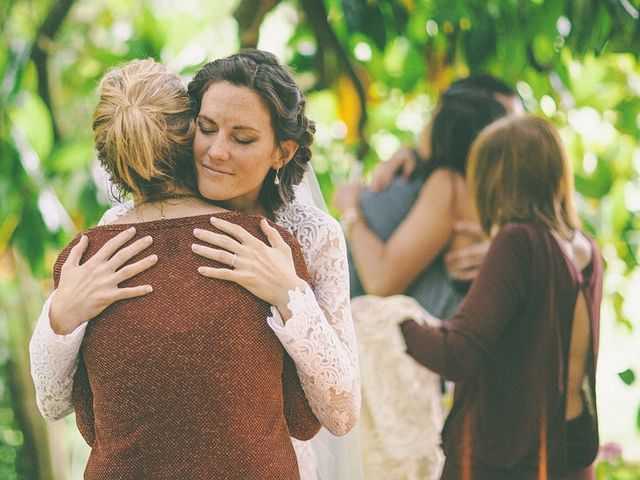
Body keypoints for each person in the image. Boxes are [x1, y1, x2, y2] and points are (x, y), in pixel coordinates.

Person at [30, 51, 360, 479]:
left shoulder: (311, 234)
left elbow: (341, 413)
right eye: (205, 129)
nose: (216, 152)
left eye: (242, 139)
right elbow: (61, 398)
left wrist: (289, 294)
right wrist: (59, 317)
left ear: (283, 151)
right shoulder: (118, 229)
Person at [400, 115, 602, 479]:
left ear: (493, 179)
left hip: (513, 456)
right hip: (571, 448)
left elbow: (456, 353)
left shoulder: (519, 242)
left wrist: (391, 323)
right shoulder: (584, 248)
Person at [368, 74, 524, 282]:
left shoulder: (453, 186)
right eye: (502, 122)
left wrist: (351, 212)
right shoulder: (429, 172)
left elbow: (380, 280)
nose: (513, 137)